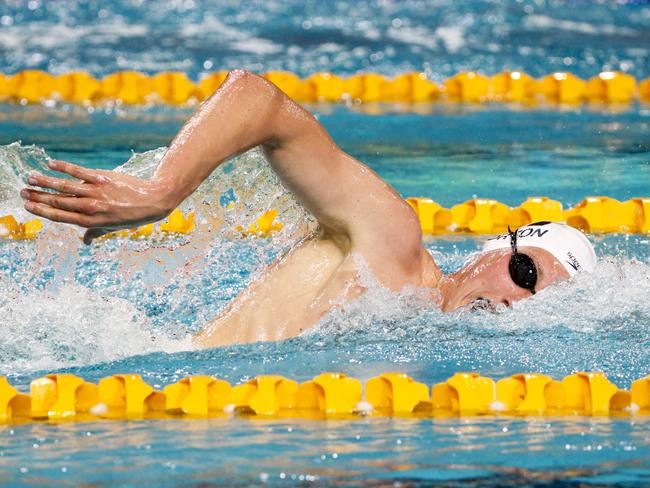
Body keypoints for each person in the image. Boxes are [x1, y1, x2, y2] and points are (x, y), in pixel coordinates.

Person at [20, 70, 597, 347]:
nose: (517, 300)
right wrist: (163, 192)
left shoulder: (413, 336)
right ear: (495, 251)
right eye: (527, 273)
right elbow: (260, 100)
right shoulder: (392, 244)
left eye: (538, 301)